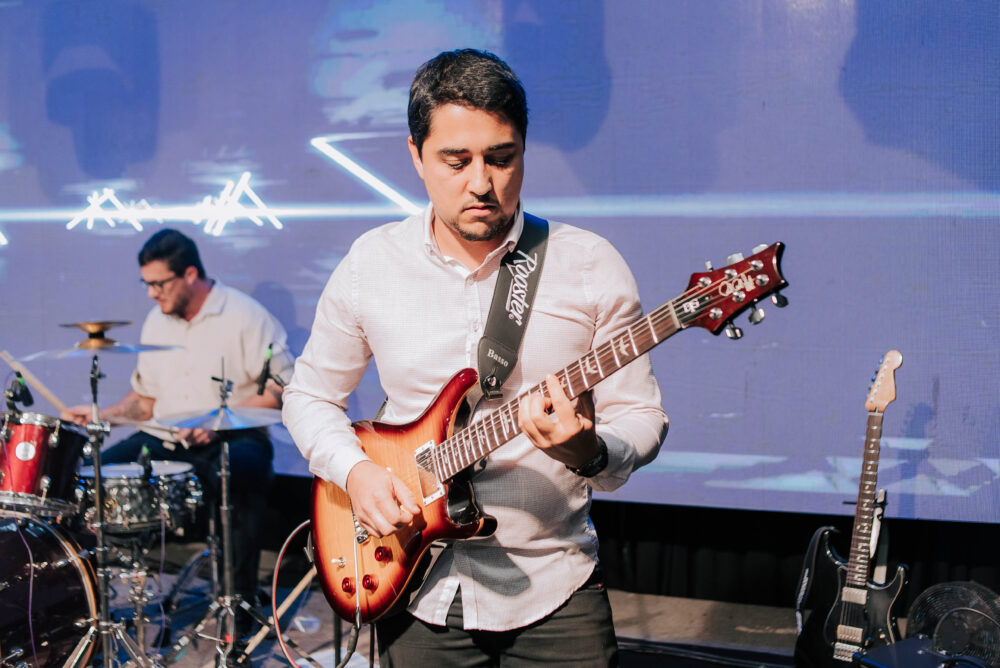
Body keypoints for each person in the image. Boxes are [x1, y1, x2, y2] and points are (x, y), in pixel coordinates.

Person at [282, 49, 668, 666]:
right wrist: (356, 473)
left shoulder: (589, 265)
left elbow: (641, 416)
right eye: (456, 161)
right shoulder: (370, 264)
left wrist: (589, 451)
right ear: (416, 155)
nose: (482, 184)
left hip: (554, 583)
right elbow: (309, 396)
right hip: (417, 583)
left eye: (501, 158)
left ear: (524, 150)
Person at [63, 228, 294, 637]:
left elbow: (282, 390)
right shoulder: (158, 320)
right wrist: (103, 415)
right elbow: (146, 401)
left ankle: (237, 603)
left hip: (233, 436)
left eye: (159, 284)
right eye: (147, 284)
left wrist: (218, 419)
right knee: (88, 477)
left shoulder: (246, 316)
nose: (152, 294)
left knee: (239, 477)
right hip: (166, 437)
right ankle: (84, 605)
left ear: (189, 274)